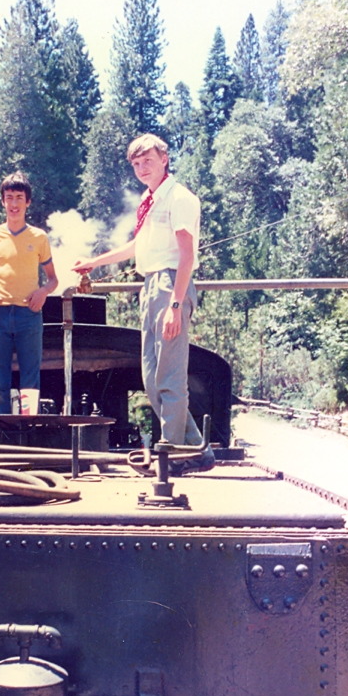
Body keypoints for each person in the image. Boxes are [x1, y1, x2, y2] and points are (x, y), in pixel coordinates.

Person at [72, 133, 214, 473]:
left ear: (164, 159)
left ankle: (172, 459)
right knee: (151, 379)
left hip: (170, 285)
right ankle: (196, 449)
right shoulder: (149, 201)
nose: (141, 168)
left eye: (147, 161)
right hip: (150, 285)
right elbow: (137, 248)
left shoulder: (179, 198)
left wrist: (176, 305)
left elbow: (187, 255)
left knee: (169, 377)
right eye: (136, 164)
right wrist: (95, 262)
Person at [0, 172, 58, 414]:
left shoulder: (39, 237)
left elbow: (53, 279)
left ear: (28, 202)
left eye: (19, 198)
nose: (14, 204)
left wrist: (43, 292)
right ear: (3, 201)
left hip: (29, 315)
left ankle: (27, 434)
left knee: (30, 381)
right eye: (9, 198)